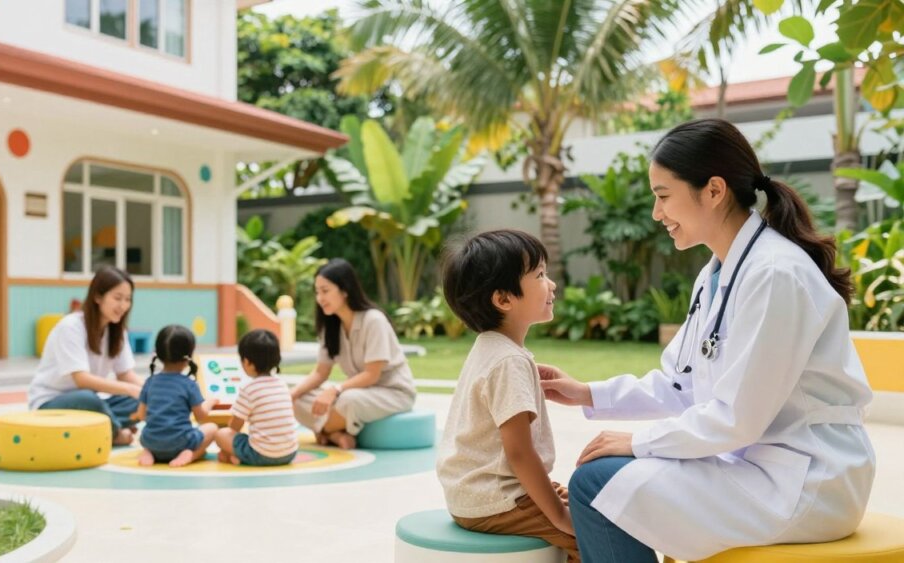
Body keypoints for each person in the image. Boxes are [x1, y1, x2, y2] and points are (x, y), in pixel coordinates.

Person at [541, 118, 875, 562]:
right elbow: (682, 383)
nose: (657, 214)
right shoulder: (718, 274)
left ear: (714, 191)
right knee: (604, 479)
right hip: (761, 464)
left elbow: (739, 417)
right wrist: (587, 393)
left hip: (809, 479)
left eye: (663, 197)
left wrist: (638, 442)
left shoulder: (775, 273)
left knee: (597, 484)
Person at [437, 229, 578, 560]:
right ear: (503, 299)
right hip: (496, 499)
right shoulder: (508, 361)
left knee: (589, 502)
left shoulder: (493, 348)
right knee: (597, 536)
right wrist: (558, 516)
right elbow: (520, 454)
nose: (552, 284)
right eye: (541, 275)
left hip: (475, 493)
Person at [290, 258, 416, 450]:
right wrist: (291, 394)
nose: (320, 298)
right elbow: (320, 373)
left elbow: (372, 375)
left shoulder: (374, 320)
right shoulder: (330, 325)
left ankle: (328, 432)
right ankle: (334, 432)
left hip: (392, 393)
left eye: (325, 291)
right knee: (300, 398)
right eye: (317, 292)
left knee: (349, 400)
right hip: (359, 391)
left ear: (345, 290)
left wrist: (334, 390)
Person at [28, 266, 144, 445]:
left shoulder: (117, 331)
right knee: (88, 399)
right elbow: (81, 380)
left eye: (128, 299)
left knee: (140, 401)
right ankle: (115, 434)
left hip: (91, 402)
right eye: (117, 298)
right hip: (51, 403)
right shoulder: (71, 327)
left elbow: (126, 374)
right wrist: (129, 389)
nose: (123, 306)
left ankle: (107, 428)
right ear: (98, 296)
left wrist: (154, 391)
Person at [134, 324, 218, 467]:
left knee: (148, 435)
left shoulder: (150, 382)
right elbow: (201, 416)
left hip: (152, 440)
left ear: (158, 355)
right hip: (181, 442)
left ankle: (149, 452)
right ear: (188, 358)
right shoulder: (189, 385)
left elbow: (141, 415)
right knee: (212, 428)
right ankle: (190, 454)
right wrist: (210, 402)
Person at [216, 329, 298, 466]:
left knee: (221, 434)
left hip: (262, 455)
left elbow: (235, 426)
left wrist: (228, 442)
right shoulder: (282, 385)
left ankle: (238, 457)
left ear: (247, 362)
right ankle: (237, 456)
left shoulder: (249, 389)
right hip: (289, 453)